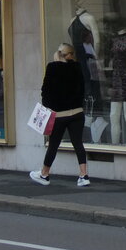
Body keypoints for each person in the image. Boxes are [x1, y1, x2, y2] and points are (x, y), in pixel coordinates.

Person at [30, 43, 91, 187]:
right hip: (77, 112)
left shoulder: (52, 68)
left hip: (59, 115)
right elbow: (83, 88)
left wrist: (48, 107)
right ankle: (84, 175)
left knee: (53, 145)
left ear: (58, 53)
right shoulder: (77, 67)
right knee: (78, 143)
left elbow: (46, 91)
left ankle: (44, 174)